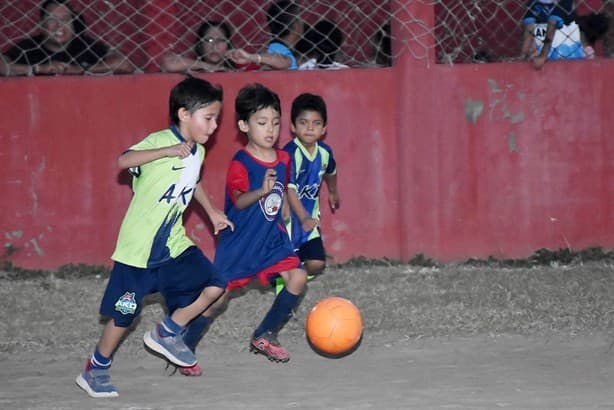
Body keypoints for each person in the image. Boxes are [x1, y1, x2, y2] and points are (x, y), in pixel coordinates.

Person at [75, 76, 233, 398]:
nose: (215, 125)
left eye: (217, 118)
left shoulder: (198, 152)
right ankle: (95, 369)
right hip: (138, 252)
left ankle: (168, 331)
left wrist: (213, 212)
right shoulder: (159, 141)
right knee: (123, 317)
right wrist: (167, 150)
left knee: (215, 284)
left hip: (173, 246)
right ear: (184, 114)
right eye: (209, 117)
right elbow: (124, 161)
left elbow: (193, 180)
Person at [178, 83, 308, 376]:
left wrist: (285, 204)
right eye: (262, 123)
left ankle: (265, 333)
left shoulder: (284, 158)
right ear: (243, 125)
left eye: (275, 123)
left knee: (298, 277)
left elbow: (283, 187)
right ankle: (184, 346)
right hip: (240, 243)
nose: (270, 130)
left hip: (271, 240)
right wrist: (261, 191)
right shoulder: (241, 163)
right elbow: (239, 200)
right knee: (217, 299)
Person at [274, 93, 339, 295]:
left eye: (316, 123)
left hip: (309, 219)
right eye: (303, 122)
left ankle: (295, 277)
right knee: (287, 260)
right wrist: (303, 217)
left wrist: (333, 192)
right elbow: (290, 188)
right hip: (290, 220)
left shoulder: (325, 153)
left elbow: (331, 172)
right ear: (293, 127)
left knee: (317, 263)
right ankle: (284, 283)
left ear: (324, 129)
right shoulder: (290, 153)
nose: (310, 128)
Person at [3, 0, 134, 76]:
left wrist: (81, 70)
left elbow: (125, 65)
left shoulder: (86, 45)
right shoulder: (28, 46)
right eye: (51, 20)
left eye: (65, 19)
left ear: (73, 23)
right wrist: (38, 69)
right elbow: (2, 65)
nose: (59, 25)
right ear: (42, 25)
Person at [227, 1, 303, 70]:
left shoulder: (283, 47)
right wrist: (251, 57)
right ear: (296, 26)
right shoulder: (277, 47)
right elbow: (283, 61)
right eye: (301, 19)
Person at [520, 0, 584, 69]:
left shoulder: (565, 3)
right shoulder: (534, 3)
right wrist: (524, 54)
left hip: (565, 48)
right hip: (541, 45)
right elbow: (529, 26)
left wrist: (543, 56)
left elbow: (552, 24)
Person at [161, 20, 236, 73]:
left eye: (220, 40)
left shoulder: (237, 70)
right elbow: (168, 63)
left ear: (228, 45)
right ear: (200, 45)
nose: (214, 46)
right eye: (209, 40)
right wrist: (207, 66)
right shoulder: (192, 70)